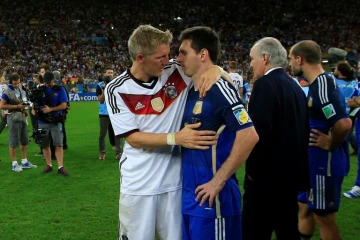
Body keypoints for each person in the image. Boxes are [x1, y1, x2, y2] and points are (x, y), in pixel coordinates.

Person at [105, 25, 229, 240]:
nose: (168, 60)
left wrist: (217, 69)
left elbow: (209, 69)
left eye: (168, 54)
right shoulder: (117, 89)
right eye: (160, 57)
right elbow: (133, 139)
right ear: (141, 57)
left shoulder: (176, 71)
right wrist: (177, 138)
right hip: (138, 184)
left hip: (175, 183)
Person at [177, 26, 258, 240]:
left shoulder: (219, 89)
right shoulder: (190, 91)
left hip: (213, 198)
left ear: (203, 54)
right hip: (190, 196)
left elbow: (249, 135)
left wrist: (218, 181)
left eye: (183, 52)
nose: (178, 58)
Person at [242, 37, 310, 240]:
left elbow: (257, 135)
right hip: (290, 181)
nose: (251, 64)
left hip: (265, 184)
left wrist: (252, 175)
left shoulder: (264, 84)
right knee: (288, 232)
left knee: (254, 232)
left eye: (252, 59)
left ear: (265, 58)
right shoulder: (295, 86)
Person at [289, 40, 351, 240]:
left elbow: (343, 124)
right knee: (305, 207)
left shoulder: (322, 85)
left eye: (291, 59)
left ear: (300, 59)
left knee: (323, 217)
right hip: (312, 163)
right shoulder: (317, 84)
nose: (290, 64)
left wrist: (331, 143)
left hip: (325, 164)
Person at [32, 72, 69, 176]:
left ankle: (60, 166)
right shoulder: (40, 89)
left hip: (56, 121)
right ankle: (49, 165)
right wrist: (34, 109)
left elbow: (63, 105)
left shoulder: (60, 89)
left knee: (58, 144)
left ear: (53, 80)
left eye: (49, 82)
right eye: (46, 82)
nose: (47, 84)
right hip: (42, 121)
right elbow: (35, 103)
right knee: (44, 145)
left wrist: (50, 109)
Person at [0, 73, 37, 172]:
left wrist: (24, 110)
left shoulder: (20, 88)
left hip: (21, 116)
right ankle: (14, 163)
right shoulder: (7, 91)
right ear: (11, 82)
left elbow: (20, 101)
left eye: (18, 83)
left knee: (24, 140)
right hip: (12, 117)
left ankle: (24, 161)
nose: (17, 85)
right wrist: (17, 107)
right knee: (13, 141)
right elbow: (2, 105)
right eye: (15, 83)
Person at [96, 67, 122, 160]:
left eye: (111, 72)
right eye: (108, 72)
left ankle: (118, 153)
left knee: (118, 133)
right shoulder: (99, 85)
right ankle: (102, 153)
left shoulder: (117, 85)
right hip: (104, 113)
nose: (110, 74)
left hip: (115, 112)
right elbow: (101, 100)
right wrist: (104, 89)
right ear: (105, 74)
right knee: (102, 134)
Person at [334, 61, 358, 155]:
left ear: (339, 71)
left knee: (345, 132)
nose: (335, 70)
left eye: (336, 69)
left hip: (341, 110)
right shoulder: (354, 81)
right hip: (352, 110)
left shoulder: (335, 82)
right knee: (348, 131)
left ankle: (355, 147)